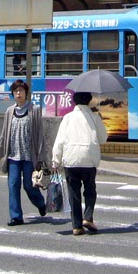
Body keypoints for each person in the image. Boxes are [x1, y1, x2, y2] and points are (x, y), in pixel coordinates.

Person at [52, 90, 108, 236]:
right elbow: (103, 139)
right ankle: (88, 217)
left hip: (71, 159)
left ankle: (76, 226)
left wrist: (55, 160)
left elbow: (60, 141)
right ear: (89, 101)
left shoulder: (67, 118)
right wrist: (99, 121)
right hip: (89, 159)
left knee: (74, 193)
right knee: (90, 190)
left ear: (74, 101)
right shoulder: (94, 117)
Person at [0, 79, 48, 226]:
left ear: (26, 93)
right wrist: (0, 152)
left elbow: (39, 134)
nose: (19, 93)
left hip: (29, 156)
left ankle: (40, 203)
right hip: (13, 155)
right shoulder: (9, 111)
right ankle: (16, 216)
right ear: (13, 94)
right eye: (16, 91)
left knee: (29, 185)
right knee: (13, 184)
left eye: (21, 91)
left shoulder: (34, 110)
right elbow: (5, 133)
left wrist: (42, 155)